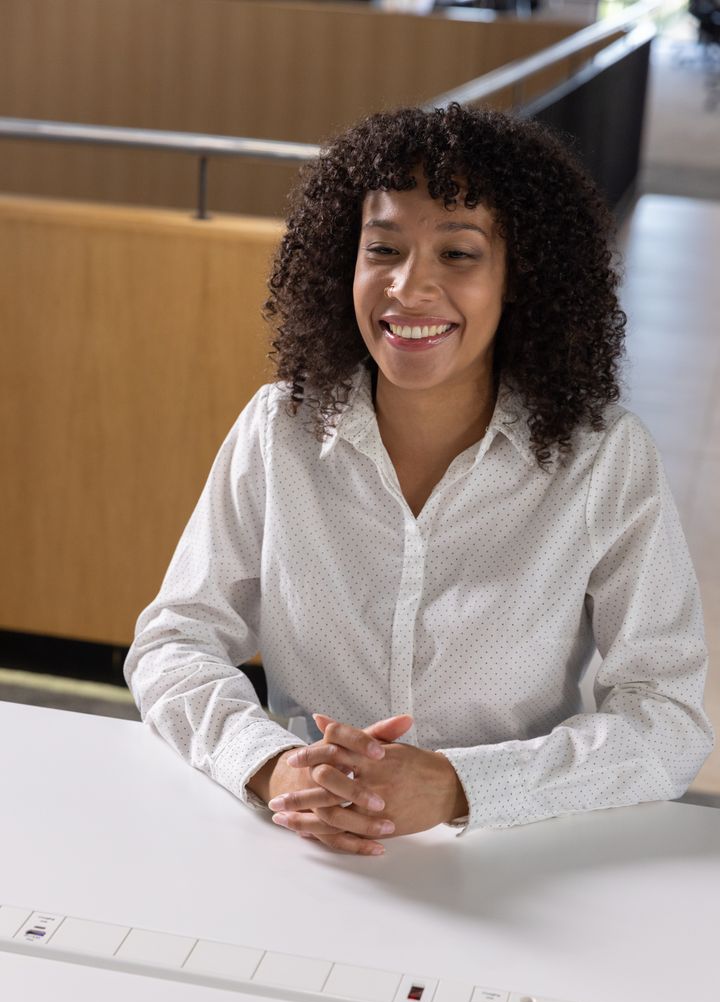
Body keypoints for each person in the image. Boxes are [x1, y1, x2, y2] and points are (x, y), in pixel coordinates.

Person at [124, 104, 712, 857]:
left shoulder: (603, 459)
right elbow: (174, 640)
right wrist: (271, 765)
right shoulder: (280, 431)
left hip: (511, 859)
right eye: (384, 249)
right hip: (301, 848)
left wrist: (460, 785)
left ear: (519, 279)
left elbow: (666, 718)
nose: (409, 288)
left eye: (458, 255)